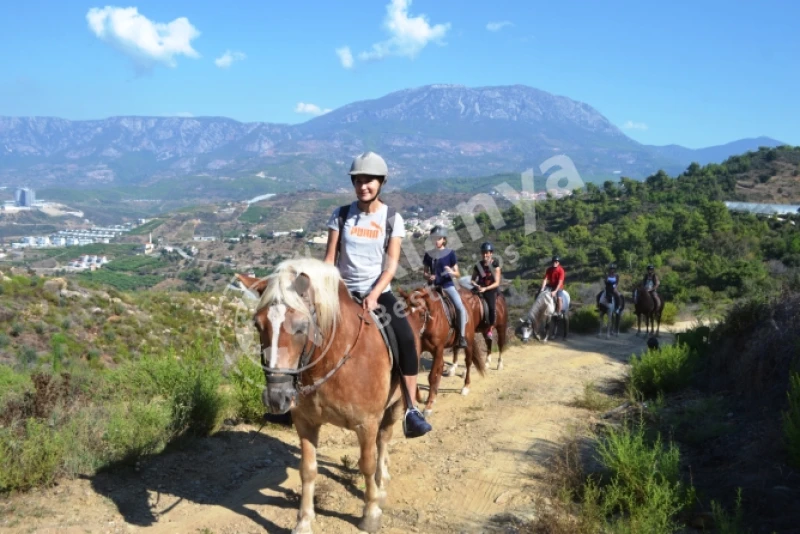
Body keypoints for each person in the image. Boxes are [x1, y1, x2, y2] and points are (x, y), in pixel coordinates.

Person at [323, 151, 431, 439]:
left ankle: (410, 408)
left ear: (381, 182)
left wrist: (373, 295)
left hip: (378, 291)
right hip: (342, 291)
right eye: (357, 181)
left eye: (368, 180)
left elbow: (391, 266)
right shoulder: (341, 215)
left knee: (407, 338)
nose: (362, 186)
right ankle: (290, 401)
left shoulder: (392, 218)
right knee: (299, 328)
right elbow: (330, 259)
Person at [423, 226, 468, 348]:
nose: (436, 241)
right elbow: (425, 272)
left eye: (439, 238)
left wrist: (451, 273)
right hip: (432, 287)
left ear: (444, 239)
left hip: (447, 286)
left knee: (460, 307)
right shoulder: (429, 255)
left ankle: (462, 336)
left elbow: (458, 273)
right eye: (434, 239)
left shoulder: (450, 253)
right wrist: (429, 277)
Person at [470, 242, 501, 339]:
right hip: (479, 287)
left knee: (492, 308)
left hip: (490, 288)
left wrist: (485, 288)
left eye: (487, 252)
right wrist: (476, 285)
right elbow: (472, 279)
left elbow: (497, 282)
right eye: (483, 252)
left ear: (491, 253)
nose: (484, 255)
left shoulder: (495, 265)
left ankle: (490, 328)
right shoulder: (478, 265)